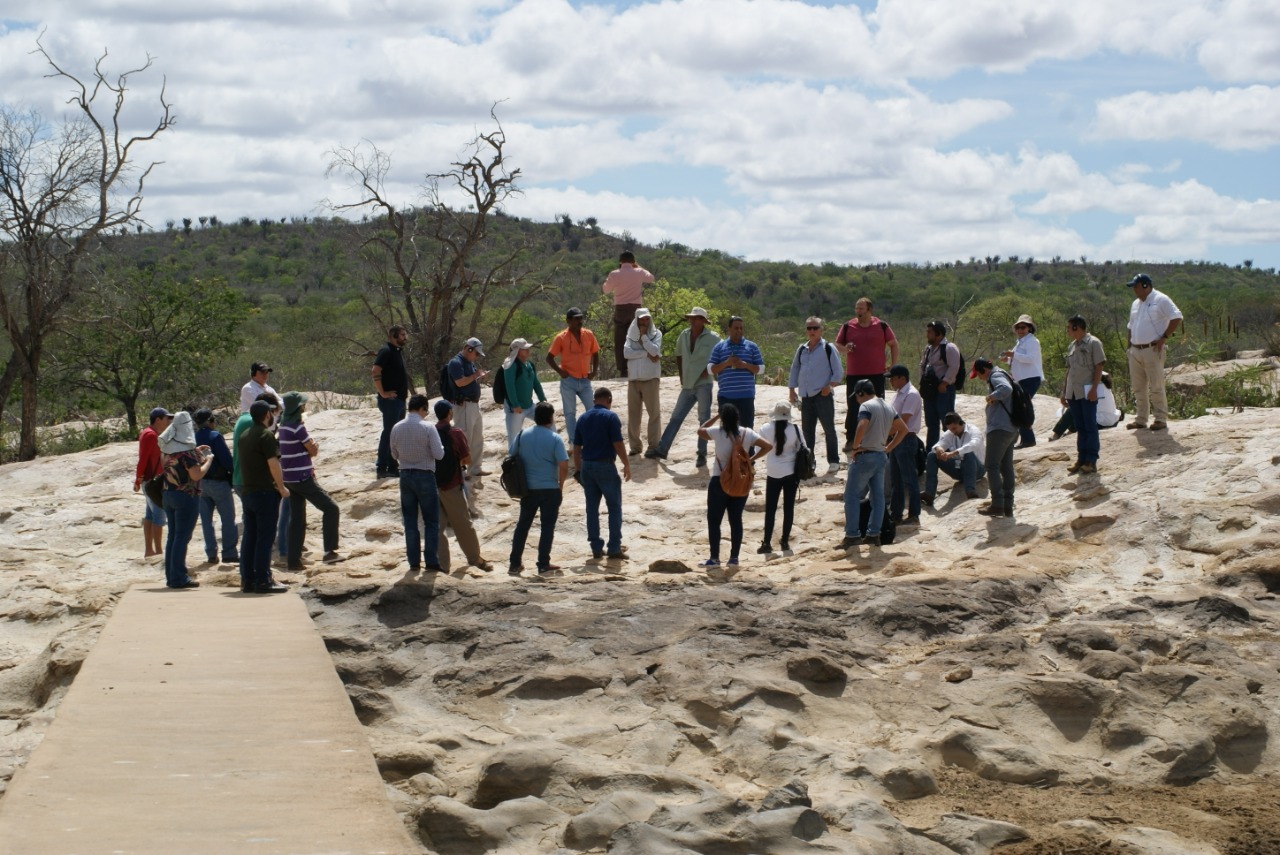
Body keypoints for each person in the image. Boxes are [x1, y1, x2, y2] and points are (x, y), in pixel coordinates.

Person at [697, 404, 772, 568]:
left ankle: (714, 558)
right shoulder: (747, 433)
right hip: (741, 481)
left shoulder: (717, 432)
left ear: (723, 419)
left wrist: (717, 416)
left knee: (714, 521)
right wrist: (750, 460)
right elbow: (768, 446)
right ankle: (734, 558)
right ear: (738, 418)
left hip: (719, 480)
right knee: (736, 520)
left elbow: (700, 430)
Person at [839, 380, 908, 549]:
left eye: (857, 396)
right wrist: (888, 447)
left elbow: (862, 424)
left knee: (851, 496)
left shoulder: (867, 406)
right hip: (880, 456)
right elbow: (903, 429)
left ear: (861, 393)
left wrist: (855, 447)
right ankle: (873, 534)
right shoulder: (888, 406)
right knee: (878, 498)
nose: (857, 400)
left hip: (865, 455)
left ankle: (852, 535)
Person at [648, 307, 720, 468]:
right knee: (676, 417)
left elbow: (722, 353)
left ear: (703, 321)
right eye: (691, 318)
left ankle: (701, 455)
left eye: (696, 318)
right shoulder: (684, 335)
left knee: (704, 419)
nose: (692, 320)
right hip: (687, 384)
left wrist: (709, 369)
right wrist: (681, 376)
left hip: (703, 384)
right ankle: (662, 449)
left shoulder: (713, 338)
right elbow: (679, 355)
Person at [278, 391, 341, 572]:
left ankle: (293, 561)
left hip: (289, 478)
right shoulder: (297, 427)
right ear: (298, 407)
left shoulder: (283, 427)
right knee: (331, 508)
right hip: (303, 477)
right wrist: (313, 447)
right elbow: (312, 450)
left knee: (297, 519)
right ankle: (330, 552)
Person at [509, 401, 569, 576]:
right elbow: (564, 465)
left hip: (528, 489)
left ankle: (514, 564)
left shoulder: (522, 435)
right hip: (550, 488)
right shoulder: (555, 438)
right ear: (550, 418)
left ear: (535, 417)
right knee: (547, 527)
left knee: (522, 526)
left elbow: (511, 455)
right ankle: (543, 564)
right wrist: (560, 485)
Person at [432, 400, 493, 573]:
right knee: (463, 525)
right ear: (450, 413)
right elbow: (467, 459)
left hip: (432, 484)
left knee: (437, 527)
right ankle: (475, 559)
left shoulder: (430, 432)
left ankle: (442, 565)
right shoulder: (456, 433)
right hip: (452, 484)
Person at [572, 387, 632, 561]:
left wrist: (578, 469)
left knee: (592, 508)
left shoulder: (583, 418)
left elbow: (576, 447)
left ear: (594, 400)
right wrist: (626, 463)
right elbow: (618, 443)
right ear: (609, 400)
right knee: (614, 507)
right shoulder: (611, 417)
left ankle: (596, 548)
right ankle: (614, 548)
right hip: (605, 465)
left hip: (587, 466)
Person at [237, 400, 290, 593]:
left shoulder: (244, 435)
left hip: (248, 492)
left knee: (249, 538)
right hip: (265, 492)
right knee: (265, 538)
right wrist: (281, 487)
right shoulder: (265, 435)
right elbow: (273, 464)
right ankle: (263, 580)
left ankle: (247, 580)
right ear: (267, 414)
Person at [390, 394, 445, 573]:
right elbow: (439, 454)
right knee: (431, 521)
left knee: (410, 521)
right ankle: (431, 561)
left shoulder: (397, 427)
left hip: (405, 475)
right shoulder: (428, 427)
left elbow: (394, 454)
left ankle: (414, 562)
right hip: (425, 475)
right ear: (422, 408)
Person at [158, 412, 212, 589]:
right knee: (182, 537)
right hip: (186, 496)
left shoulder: (167, 448)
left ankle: (172, 576)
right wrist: (208, 461)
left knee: (173, 536)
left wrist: (197, 453)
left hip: (168, 494)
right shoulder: (187, 452)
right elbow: (196, 474)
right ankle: (179, 577)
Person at [835, 298, 899, 447]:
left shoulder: (881, 326)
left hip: (876, 374)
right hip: (854, 374)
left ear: (869, 310)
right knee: (853, 406)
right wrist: (845, 349)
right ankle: (852, 438)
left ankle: (879, 438)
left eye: (861, 309)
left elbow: (893, 344)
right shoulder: (848, 326)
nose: (858, 311)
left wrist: (893, 364)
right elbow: (837, 344)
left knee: (878, 406)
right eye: (857, 308)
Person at [1126, 273, 1183, 431]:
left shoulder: (1161, 299)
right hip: (1135, 350)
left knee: (1156, 385)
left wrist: (1164, 337)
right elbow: (1130, 326)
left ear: (1146, 286)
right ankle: (1141, 419)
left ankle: (1160, 419)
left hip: (1152, 349)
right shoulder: (1135, 304)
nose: (1134, 290)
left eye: (1137, 286)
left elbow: (1177, 317)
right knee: (1138, 387)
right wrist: (1129, 346)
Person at [788, 316, 844, 476]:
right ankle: (809, 465)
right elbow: (795, 369)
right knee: (807, 433)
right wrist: (791, 390)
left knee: (829, 430)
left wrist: (829, 387)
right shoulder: (801, 349)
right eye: (809, 328)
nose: (812, 331)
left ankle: (833, 461)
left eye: (815, 328)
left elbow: (838, 371)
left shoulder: (828, 348)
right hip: (806, 396)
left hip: (823, 395)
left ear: (821, 330)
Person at [547, 307, 599, 450]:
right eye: (576, 319)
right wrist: (560, 372)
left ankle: (592, 440)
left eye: (580, 318)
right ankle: (573, 443)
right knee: (570, 413)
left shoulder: (588, 334)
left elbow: (596, 353)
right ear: (568, 321)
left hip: (585, 379)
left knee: (592, 410)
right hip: (568, 381)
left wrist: (594, 371)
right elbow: (549, 358)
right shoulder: (561, 337)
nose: (579, 321)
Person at [970, 358, 1016, 519]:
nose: (980, 378)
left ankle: (997, 504)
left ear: (984, 369)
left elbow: (1006, 389)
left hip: (1000, 428)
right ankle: (1007, 505)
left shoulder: (995, 376)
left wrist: (991, 396)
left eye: (979, 374)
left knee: (991, 465)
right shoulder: (1004, 373)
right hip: (1011, 427)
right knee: (1006, 466)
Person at [1060, 316, 1106, 475]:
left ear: (1076, 328)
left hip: (1087, 391)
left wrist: (1094, 389)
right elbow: (1069, 370)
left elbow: (1099, 367)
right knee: (1079, 426)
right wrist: (1064, 392)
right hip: (1073, 392)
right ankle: (1081, 458)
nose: (1067, 330)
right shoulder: (1072, 346)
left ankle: (1091, 460)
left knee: (1090, 425)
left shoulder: (1094, 343)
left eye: (1069, 327)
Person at [193, 409, 238, 565]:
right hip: (218, 482)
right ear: (210, 421)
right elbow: (226, 460)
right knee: (227, 518)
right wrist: (234, 474)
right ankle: (229, 553)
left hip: (200, 482)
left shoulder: (193, 437)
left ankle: (211, 554)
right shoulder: (215, 436)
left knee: (206, 521)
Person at [757, 401, 802, 555]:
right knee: (789, 508)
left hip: (773, 472)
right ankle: (784, 542)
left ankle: (766, 543)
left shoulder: (765, 428)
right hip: (791, 471)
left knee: (770, 509)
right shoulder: (795, 429)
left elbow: (758, 449)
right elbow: (803, 448)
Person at [602, 250, 654, 378]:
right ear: (633, 261)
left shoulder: (614, 274)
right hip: (636, 309)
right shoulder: (639, 272)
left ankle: (623, 369)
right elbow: (651, 278)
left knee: (620, 339)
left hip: (620, 309)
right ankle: (639, 366)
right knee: (638, 337)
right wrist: (638, 266)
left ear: (620, 261)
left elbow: (606, 290)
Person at [444, 337, 489, 482]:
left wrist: (478, 377)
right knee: (463, 438)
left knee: (477, 438)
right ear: (469, 349)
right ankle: (460, 470)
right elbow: (460, 382)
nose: (477, 357)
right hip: (464, 405)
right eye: (476, 353)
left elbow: (470, 380)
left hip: (473, 405)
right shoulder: (456, 362)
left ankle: (475, 468)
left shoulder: (469, 363)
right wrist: (476, 375)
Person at [708, 316, 764, 428]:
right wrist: (726, 363)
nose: (739, 331)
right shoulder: (719, 347)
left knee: (746, 431)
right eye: (736, 328)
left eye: (741, 328)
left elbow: (761, 369)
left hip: (746, 397)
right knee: (727, 432)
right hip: (726, 397)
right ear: (729, 329)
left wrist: (744, 365)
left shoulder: (752, 347)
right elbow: (710, 370)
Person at [922, 412, 987, 505]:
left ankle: (970, 491)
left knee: (968, 453)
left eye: (954, 428)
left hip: (977, 469)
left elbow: (973, 445)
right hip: (959, 467)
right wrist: (939, 449)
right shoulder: (950, 433)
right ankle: (929, 494)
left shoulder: (974, 430)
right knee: (932, 455)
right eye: (950, 429)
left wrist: (953, 453)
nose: (953, 432)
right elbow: (939, 444)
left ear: (960, 422)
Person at [622, 307, 663, 456]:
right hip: (634, 379)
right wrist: (645, 354)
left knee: (653, 413)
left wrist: (644, 337)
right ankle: (635, 446)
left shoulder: (657, 334)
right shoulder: (630, 335)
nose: (644, 322)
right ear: (637, 320)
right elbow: (626, 353)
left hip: (650, 378)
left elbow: (655, 351)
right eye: (641, 319)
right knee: (633, 414)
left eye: (647, 319)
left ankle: (653, 445)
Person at [886, 364, 923, 525]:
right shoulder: (898, 394)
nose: (891, 381)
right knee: (896, 479)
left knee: (909, 479)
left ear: (902, 378)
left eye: (893, 378)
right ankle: (896, 513)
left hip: (906, 439)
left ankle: (914, 515)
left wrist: (885, 434)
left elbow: (904, 421)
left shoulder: (911, 394)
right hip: (896, 438)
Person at [133, 406, 172, 558]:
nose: (168, 421)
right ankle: (158, 551)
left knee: (150, 515)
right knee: (159, 516)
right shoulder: (150, 435)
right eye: (166, 418)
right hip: (153, 481)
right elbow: (143, 459)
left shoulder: (148, 432)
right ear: (158, 420)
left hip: (151, 480)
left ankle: (149, 551)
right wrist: (138, 479)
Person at [372, 325, 410, 478]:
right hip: (390, 401)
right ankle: (381, 468)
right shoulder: (386, 351)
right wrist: (382, 393)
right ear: (394, 336)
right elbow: (375, 370)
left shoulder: (397, 351)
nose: (405, 337)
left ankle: (393, 466)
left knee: (396, 434)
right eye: (402, 335)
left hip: (399, 400)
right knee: (388, 434)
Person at [918, 321, 963, 451]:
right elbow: (922, 365)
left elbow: (954, 367)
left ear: (938, 334)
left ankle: (952, 450)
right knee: (931, 423)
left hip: (944, 390)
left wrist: (944, 383)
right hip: (930, 391)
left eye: (930, 332)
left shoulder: (950, 348)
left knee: (948, 422)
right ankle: (931, 451)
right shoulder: (928, 348)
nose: (927, 334)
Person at [1001, 314, 1043, 449]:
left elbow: (1030, 359)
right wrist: (1008, 360)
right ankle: (1027, 439)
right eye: (1018, 327)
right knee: (1021, 406)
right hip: (1022, 379)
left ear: (1029, 328)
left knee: (1022, 407)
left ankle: (1028, 439)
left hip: (1031, 378)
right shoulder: (1021, 342)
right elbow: (1019, 360)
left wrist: (1013, 355)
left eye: (1023, 327)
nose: (1020, 330)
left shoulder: (1032, 341)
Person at [502, 338, 547, 450]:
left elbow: (535, 382)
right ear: (517, 351)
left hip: (529, 405)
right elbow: (510, 386)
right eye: (524, 349)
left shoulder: (529, 364)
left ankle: (551, 449)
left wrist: (542, 399)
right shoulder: (510, 365)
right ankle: (513, 459)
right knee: (514, 437)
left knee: (548, 421)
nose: (528, 350)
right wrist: (515, 404)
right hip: (516, 408)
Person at [1050, 373, 1122, 438]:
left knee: (1073, 410)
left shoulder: (1091, 384)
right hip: (1112, 420)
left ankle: (1057, 434)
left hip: (1100, 422)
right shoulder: (1102, 380)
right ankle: (1069, 433)